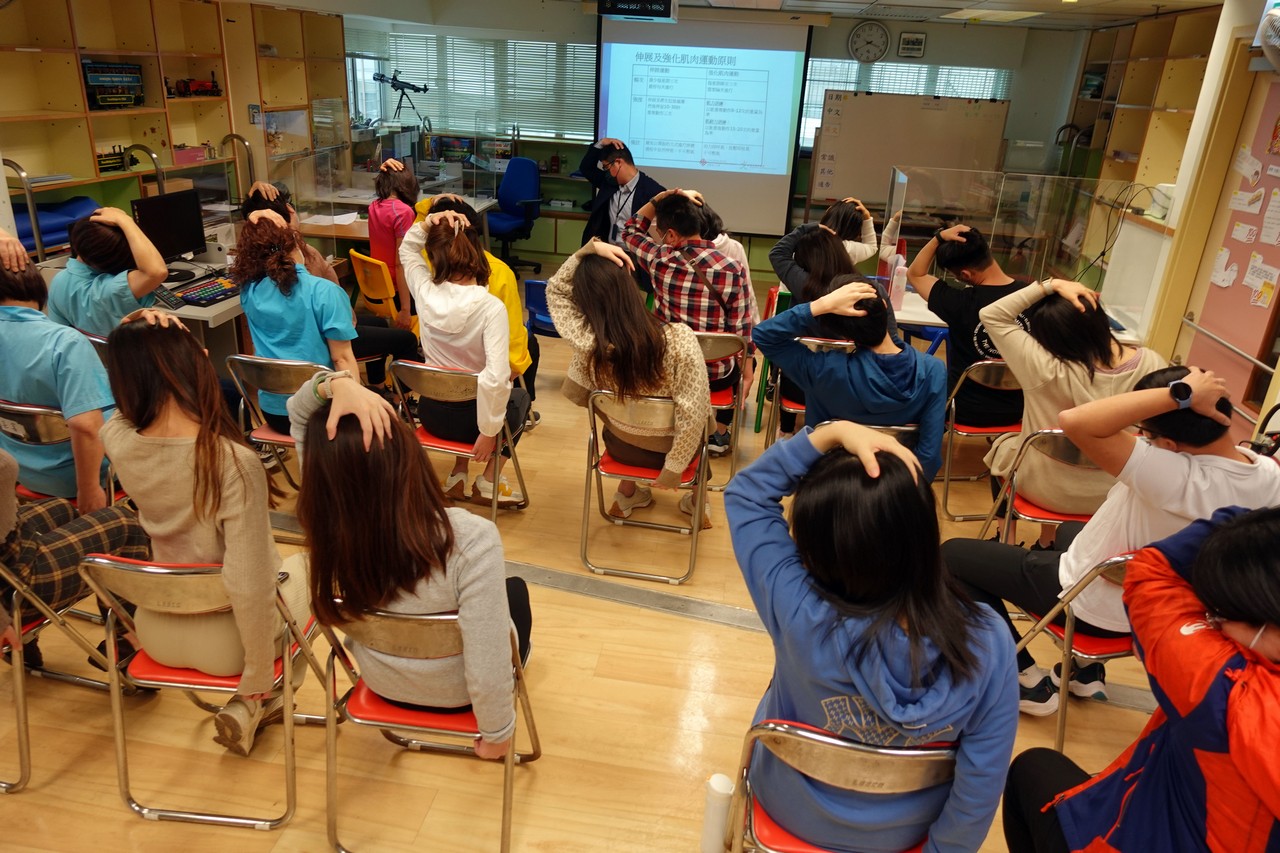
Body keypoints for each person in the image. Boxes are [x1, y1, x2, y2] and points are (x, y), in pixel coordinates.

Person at [725, 420, 1018, 853]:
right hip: (904, 836)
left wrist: (831, 431)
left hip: (789, 814)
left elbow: (746, 495)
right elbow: (981, 782)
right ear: (923, 533)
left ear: (820, 554)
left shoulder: (799, 610)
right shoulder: (989, 642)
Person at [943, 366, 1280, 716]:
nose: (1139, 438)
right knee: (1067, 531)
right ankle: (1084, 671)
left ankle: (1023, 678)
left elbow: (1075, 421)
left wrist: (1179, 394)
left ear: (1168, 445)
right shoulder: (1267, 473)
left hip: (1097, 607)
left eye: (1145, 434)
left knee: (950, 557)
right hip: (1169, 603)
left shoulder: (1176, 475)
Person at [1003, 506, 1280, 852]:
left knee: (1030, 770)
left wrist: (1253, 517)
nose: (1213, 626)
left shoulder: (1224, 688)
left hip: (1142, 835)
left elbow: (1152, 571)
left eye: (1217, 614)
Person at [289, 368, 531, 760]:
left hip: (381, 682)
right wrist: (497, 733)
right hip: (456, 697)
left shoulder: (325, 524)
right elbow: (487, 654)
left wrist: (336, 384)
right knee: (514, 595)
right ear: (406, 455)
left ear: (317, 472)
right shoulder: (470, 538)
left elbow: (299, 413)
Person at [101, 309, 307, 757]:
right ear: (194, 362)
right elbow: (248, 583)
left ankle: (258, 707)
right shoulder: (231, 461)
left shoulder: (118, 440)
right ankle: (257, 701)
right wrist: (256, 673)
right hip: (227, 642)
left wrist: (128, 329)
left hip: (157, 628)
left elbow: (118, 411)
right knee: (308, 568)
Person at [980, 278, 1167, 546]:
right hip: (1113, 493)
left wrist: (1049, 285)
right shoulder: (1152, 364)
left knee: (1003, 447)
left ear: (1051, 338)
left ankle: (1006, 541)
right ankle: (1047, 542)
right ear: (1101, 320)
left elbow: (991, 315)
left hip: (1044, 489)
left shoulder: (1043, 366)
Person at [547, 238, 713, 525]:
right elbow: (693, 413)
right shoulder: (678, 340)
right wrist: (674, 468)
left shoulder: (588, 340)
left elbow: (556, 290)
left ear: (585, 301)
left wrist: (585, 250)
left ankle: (626, 493)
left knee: (624, 414)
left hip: (622, 447)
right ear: (631, 288)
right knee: (702, 420)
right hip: (669, 454)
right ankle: (699, 501)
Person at [754, 276, 947, 481]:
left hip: (831, 481)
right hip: (896, 482)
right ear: (885, 306)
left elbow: (764, 335)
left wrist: (820, 306)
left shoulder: (824, 370)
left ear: (842, 331)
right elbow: (929, 456)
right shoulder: (933, 371)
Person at [399, 210, 529, 506]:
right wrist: (488, 432)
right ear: (477, 254)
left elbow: (407, 249)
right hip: (472, 422)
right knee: (520, 399)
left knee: (466, 388)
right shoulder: (490, 307)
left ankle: (458, 474)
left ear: (435, 258)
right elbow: (495, 378)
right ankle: (488, 480)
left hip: (431, 414)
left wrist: (428, 222)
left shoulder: (424, 292)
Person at [241, 185, 419, 392]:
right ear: (289, 215)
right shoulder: (321, 290)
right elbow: (341, 357)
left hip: (272, 398)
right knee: (406, 339)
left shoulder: (249, 288)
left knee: (379, 323)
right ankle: (399, 400)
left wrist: (255, 215)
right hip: (319, 390)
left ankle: (378, 386)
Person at [621, 188, 754, 456]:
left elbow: (630, 230)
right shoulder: (732, 268)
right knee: (734, 364)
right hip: (715, 376)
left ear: (671, 235)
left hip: (669, 370)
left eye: (661, 233)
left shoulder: (660, 260)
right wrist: (748, 370)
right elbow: (742, 330)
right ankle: (716, 434)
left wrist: (662, 196)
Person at [0, 448, 149, 670]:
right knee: (123, 523)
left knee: (62, 508)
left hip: (13, 543)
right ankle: (127, 640)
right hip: (12, 590)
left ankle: (26, 647)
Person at [768, 214, 902, 436]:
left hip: (800, 387)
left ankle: (787, 430)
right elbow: (892, 340)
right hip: (852, 389)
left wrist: (807, 228)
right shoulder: (870, 290)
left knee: (792, 358)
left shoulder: (803, 284)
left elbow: (777, 253)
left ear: (804, 261)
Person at [230, 209, 359, 434]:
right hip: (319, 409)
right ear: (295, 242)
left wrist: (257, 219)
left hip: (274, 413)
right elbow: (342, 359)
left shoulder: (249, 291)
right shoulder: (325, 292)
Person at [415, 193, 537, 425]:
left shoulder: (425, 263)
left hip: (433, 393)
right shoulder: (497, 272)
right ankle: (526, 407)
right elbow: (512, 345)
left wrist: (429, 206)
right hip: (478, 398)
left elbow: (409, 244)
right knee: (530, 343)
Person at [0, 264, 113, 509]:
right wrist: (89, 489)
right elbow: (85, 426)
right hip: (75, 479)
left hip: (16, 471)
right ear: (40, 288)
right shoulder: (65, 342)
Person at [906, 224, 1028, 428]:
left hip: (961, 409)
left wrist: (938, 238)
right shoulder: (1033, 297)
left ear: (965, 275)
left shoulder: (960, 303)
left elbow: (915, 274)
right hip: (1019, 410)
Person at [46, 207, 168, 336]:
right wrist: (126, 221)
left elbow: (58, 333)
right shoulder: (113, 289)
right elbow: (156, 272)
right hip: (130, 348)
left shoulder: (59, 281)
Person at [578, 137, 664, 247]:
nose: (606, 172)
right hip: (607, 249)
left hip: (634, 254)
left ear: (618, 162)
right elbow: (586, 168)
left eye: (606, 167)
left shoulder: (653, 192)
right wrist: (600, 144)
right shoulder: (609, 182)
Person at [368, 157, 419, 330]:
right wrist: (405, 309)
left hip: (376, 285)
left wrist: (383, 173)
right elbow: (400, 264)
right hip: (396, 289)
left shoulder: (374, 206)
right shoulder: (403, 213)